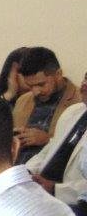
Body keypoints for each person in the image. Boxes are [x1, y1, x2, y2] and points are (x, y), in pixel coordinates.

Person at [26, 72, 87, 203]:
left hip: (72, 203)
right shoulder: (73, 111)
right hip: (42, 190)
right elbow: (50, 148)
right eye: (85, 78)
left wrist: (54, 189)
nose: (84, 84)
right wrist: (27, 172)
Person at [13, 47, 81, 164]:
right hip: (18, 169)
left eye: (41, 84)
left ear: (58, 74)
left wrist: (48, 140)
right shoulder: (23, 101)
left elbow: (81, 150)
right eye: (30, 86)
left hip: (55, 172)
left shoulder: (80, 102)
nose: (35, 92)